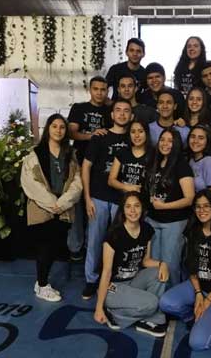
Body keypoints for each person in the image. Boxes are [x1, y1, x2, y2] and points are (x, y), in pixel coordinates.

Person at [159, 189, 211, 350]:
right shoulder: (193, 231)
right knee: (165, 303)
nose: (202, 210)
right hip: (197, 287)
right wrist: (198, 294)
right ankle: (196, 316)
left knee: (198, 343)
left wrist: (208, 300)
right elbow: (192, 266)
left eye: (206, 206)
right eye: (198, 206)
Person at [21, 114, 82, 302]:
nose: (58, 130)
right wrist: (51, 203)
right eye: (54, 126)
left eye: (62, 127)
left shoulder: (70, 154)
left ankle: (41, 281)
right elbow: (29, 182)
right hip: (42, 208)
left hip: (62, 209)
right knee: (44, 247)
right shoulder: (35, 154)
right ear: (48, 129)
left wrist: (62, 203)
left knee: (54, 247)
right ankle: (42, 285)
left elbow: (77, 182)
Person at [94, 191, 169, 337]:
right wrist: (99, 308)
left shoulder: (147, 229)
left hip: (133, 282)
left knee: (159, 274)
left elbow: (145, 261)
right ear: (123, 210)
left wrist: (162, 264)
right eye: (128, 206)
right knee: (153, 303)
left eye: (136, 206)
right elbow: (106, 272)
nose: (133, 210)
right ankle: (115, 315)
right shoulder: (114, 234)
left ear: (142, 208)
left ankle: (143, 316)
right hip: (113, 288)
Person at [81, 99, 132, 299]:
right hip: (99, 197)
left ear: (131, 115)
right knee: (95, 241)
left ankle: (116, 280)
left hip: (123, 199)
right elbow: (86, 167)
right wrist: (87, 198)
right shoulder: (100, 137)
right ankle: (91, 280)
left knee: (121, 241)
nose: (122, 114)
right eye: (118, 110)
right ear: (111, 114)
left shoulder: (134, 138)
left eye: (126, 111)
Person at [67, 76, 111, 260]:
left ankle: (91, 246)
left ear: (107, 91)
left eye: (103, 89)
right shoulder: (79, 108)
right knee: (77, 204)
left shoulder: (110, 112)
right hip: (78, 162)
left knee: (95, 207)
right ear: (89, 90)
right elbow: (71, 133)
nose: (99, 93)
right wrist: (92, 135)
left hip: (100, 166)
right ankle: (75, 246)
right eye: (96, 89)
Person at [146, 127, 195, 285]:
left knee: (170, 264)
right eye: (162, 140)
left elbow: (189, 198)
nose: (165, 144)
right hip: (153, 220)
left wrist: (165, 206)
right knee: (155, 264)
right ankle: (156, 295)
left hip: (174, 222)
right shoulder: (155, 162)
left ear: (176, 144)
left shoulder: (182, 166)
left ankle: (172, 296)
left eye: (170, 141)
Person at [108, 120, 150, 195]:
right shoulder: (122, 152)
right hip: (122, 198)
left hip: (143, 199)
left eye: (140, 131)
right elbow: (111, 181)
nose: (136, 135)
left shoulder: (153, 155)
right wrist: (126, 187)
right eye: (133, 132)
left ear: (146, 133)